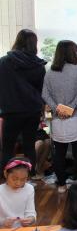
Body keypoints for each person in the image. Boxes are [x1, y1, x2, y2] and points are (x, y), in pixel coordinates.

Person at [42, 40, 77, 193]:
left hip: (58, 119)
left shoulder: (50, 72)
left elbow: (45, 94)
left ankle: (61, 184)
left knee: (59, 154)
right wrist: (70, 108)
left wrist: (58, 109)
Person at [0, 29, 46, 171]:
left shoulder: (4, 62)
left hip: (11, 110)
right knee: (29, 146)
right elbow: (41, 90)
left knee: (8, 147)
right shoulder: (38, 65)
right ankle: (29, 176)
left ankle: (6, 177)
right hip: (32, 111)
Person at [0, 158, 36, 228]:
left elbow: (31, 212)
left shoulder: (29, 189)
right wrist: (3, 222)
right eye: (14, 179)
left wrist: (30, 219)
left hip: (21, 230)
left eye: (23, 180)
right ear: (5, 174)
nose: (18, 183)